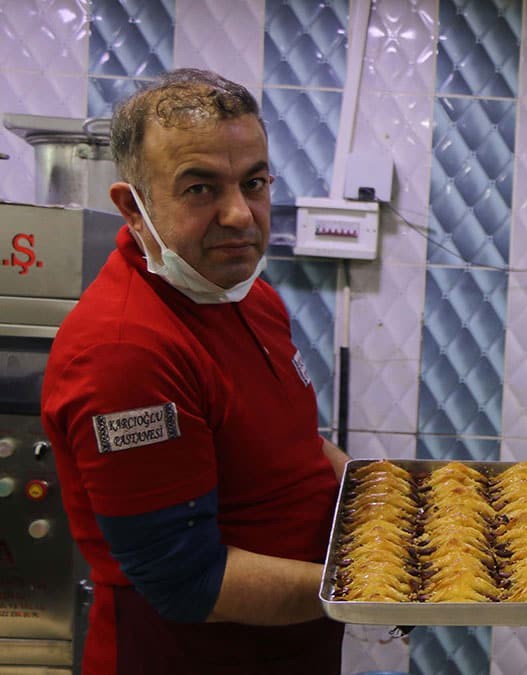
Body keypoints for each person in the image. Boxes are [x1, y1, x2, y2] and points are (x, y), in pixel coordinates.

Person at [41, 69, 350, 674]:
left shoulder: (243, 295)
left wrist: (387, 491)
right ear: (134, 206)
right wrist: (371, 588)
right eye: (200, 189)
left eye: (254, 182)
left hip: (289, 649)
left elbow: (289, 447)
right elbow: (188, 581)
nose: (240, 215)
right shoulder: (125, 354)